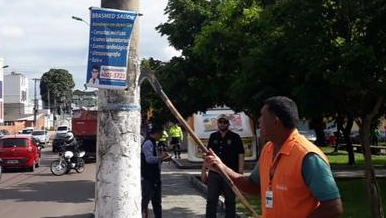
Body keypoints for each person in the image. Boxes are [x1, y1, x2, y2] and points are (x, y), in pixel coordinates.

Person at [204, 96, 343, 217]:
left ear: (275, 121)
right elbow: (253, 186)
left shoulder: (308, 156)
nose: (259, 120)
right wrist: (221, 167)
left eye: (262, 116)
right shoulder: (268, 149)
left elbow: (333, 207)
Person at [201, 115, 245, 218]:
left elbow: (241, 155)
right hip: (214, 173)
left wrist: (240, 172)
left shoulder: (235, 137)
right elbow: (208, 156)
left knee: (230, 201)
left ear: (228, 124)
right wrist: (204, 171)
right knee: (211, 200)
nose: (222, 124)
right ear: (217, 123)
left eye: (224, 122)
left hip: (229, 174)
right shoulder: (213, 136)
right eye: (220, 122)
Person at [141, 124, 171, 218]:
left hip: (155, 177)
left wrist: (163, 159)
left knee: (157, 202)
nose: (161, 136)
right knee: (145, 201)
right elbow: (149, 159)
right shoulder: (148, 143)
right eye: (161, 134)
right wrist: (160, 157)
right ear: (156, 133)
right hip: (149, 177)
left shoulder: (154, 142)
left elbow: (155, 159)